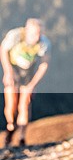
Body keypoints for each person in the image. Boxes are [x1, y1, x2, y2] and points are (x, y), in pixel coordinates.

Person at [1, 18, 51, 147]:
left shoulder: (43, 43)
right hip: (14, 70)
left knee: (25, 104)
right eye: (34, 34)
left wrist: (32, 85)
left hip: (28, 74)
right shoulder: (15, 36)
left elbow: (44, 64)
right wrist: (8, 72)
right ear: (27, 30)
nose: (37, 37)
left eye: (39, 34)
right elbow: (3, 50)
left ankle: (22, 137)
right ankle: (11, 127)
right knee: (11, 103)